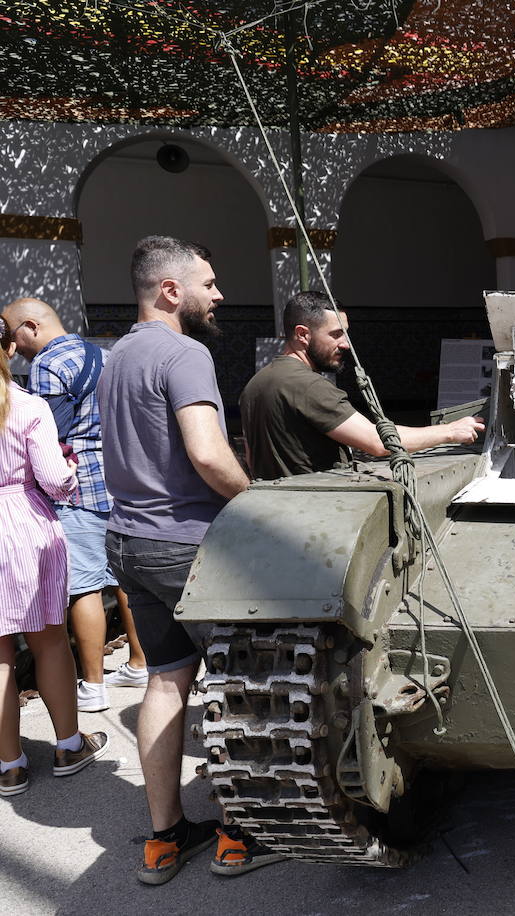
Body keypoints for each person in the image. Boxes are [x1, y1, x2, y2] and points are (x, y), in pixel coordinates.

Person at [98, 236, 281, 883]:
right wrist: (256, 500)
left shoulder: (116, 356)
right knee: (239, 680)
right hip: (187, 543)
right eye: (208, 281)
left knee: (166, 678)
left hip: (127, 541)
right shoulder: (184, 352)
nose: (219, 293)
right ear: (170, 290)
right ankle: (239, 833)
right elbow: (207, 453)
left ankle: (165, 838)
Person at [2, 298, 149, 712]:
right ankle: (139, 661)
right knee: (124, 580)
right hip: (118, 481)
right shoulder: (104, 355)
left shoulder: (48, 365)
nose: (14, 348)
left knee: (84, 586)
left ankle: (94, 685)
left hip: (77, 486)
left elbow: (49, 434)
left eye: (14, 337)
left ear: (30, 327)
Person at [0, 317, 109, 798]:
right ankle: (68, 744)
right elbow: (54, 480)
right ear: (8, 348)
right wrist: (69, 468)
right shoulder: (27, 406)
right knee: (48, 642)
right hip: (24, 526)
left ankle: (10, 764)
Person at [239, 289, 483, 480]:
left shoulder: (255, 384)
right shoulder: (308, 386)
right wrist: (450, 431)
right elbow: (378, 443)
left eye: (346, 333)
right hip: (313, 518)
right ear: (303, 334)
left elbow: (252, 459)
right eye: (336, 334)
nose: (346, 344)